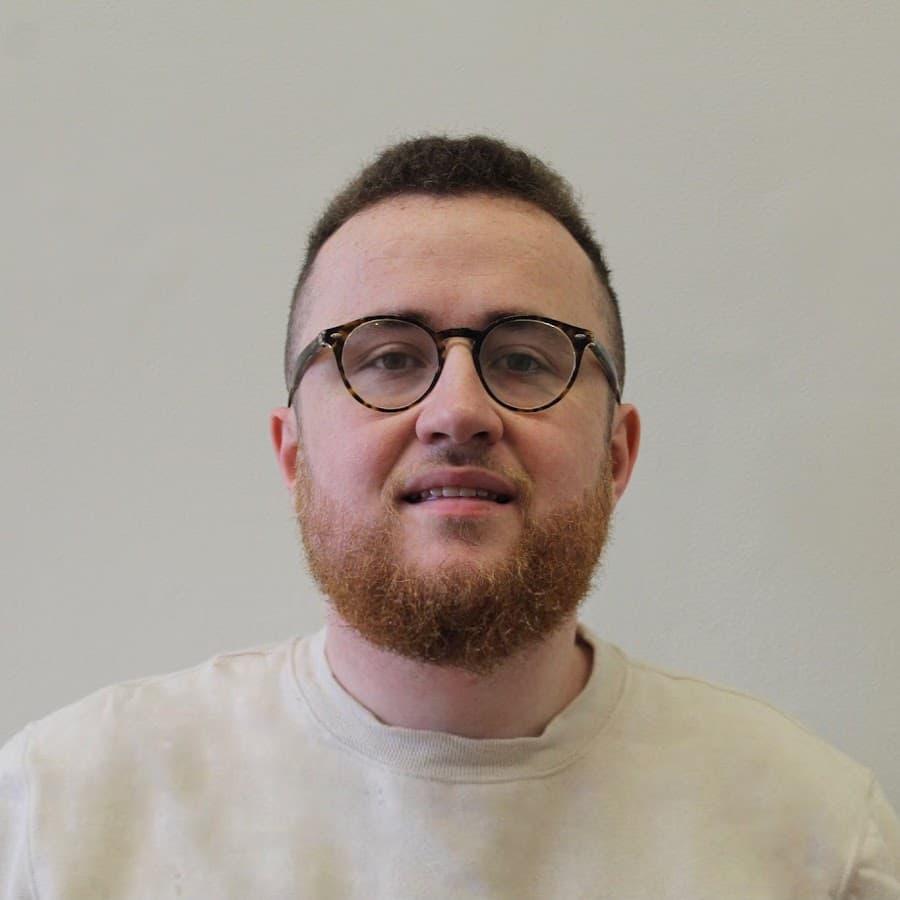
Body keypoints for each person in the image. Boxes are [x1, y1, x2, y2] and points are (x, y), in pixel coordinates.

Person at [1, 135, 897, 898]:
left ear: (616, 455)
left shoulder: (814, 841)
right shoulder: (64, 817)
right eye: (388, 358)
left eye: (525, 358)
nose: (458, 409)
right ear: (295, 453)